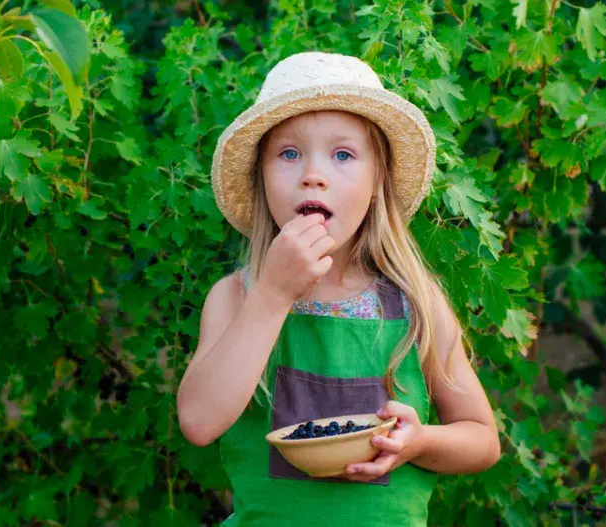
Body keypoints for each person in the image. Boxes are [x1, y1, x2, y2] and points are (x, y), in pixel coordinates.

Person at [177, 51, 500, 526]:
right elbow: (199, 423)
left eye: (343, 154)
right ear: (262, 179)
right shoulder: (237, 297)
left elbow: (483, 440)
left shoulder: (414, 302)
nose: (313, 173)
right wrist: (273, 295)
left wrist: (420, 443)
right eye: (288, 153)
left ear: (376, 183)